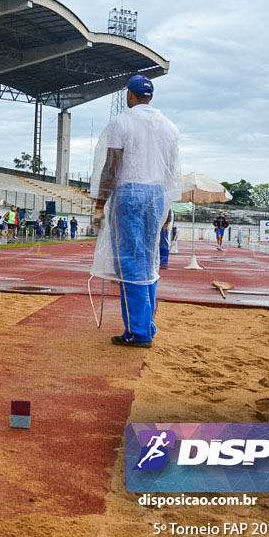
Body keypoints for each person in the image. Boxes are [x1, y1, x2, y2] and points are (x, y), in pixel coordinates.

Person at [90, 74, 181, 349]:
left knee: (130, 261)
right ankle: (146, 322)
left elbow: (112, 166)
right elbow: (171, 170)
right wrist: (168, 206)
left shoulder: (122, 122)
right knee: (149, 259)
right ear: (150, 96)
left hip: (130, 191)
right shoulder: (169, 127)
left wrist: (99, 203)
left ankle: (138, 330)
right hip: (157, 194)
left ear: (130, 95)